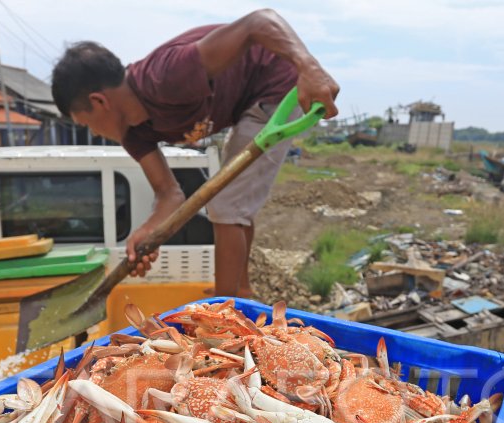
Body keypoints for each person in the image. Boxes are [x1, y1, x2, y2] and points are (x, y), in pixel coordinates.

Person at [51, 9, 339, 297]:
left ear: (99, 101)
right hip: (244, 106)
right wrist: (149, 231)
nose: (95, 133)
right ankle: (240, 292)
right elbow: (170, 194)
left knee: (226, 205)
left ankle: (224, 312)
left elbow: (258, 22)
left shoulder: (166, 76)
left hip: (274, 84)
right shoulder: (134, 134)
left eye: (86, 124)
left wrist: (308, 68)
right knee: (233, 203)